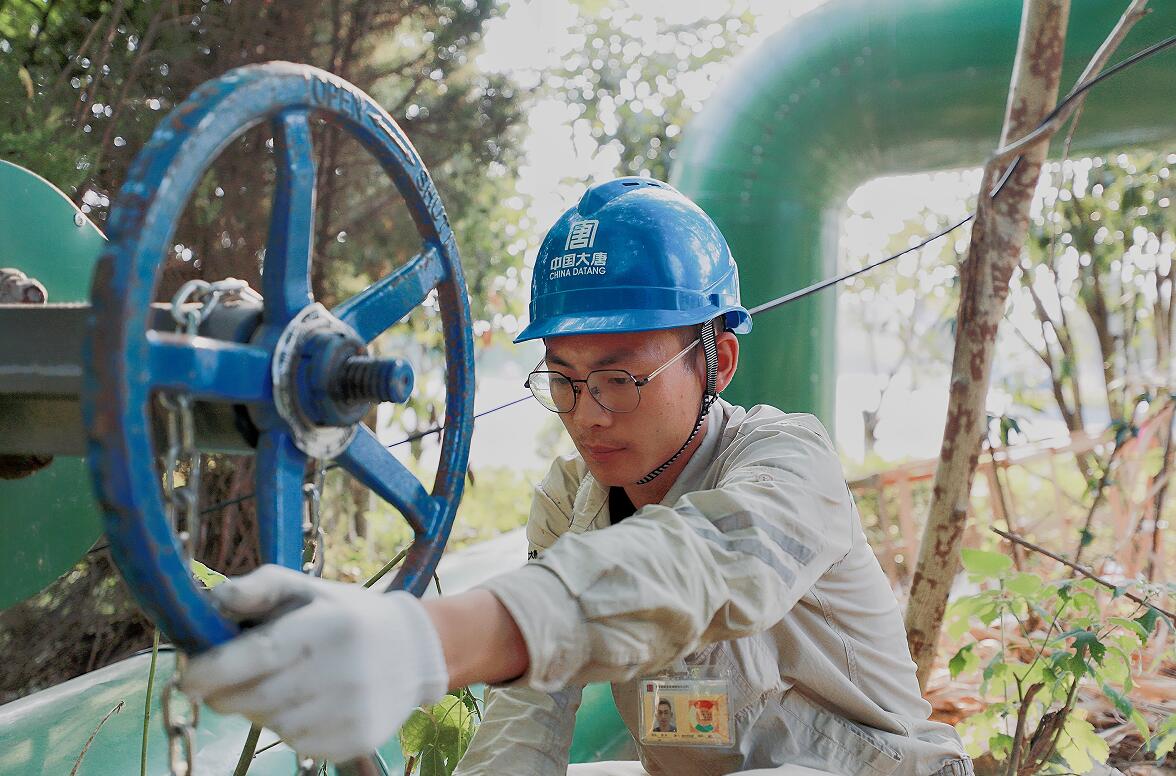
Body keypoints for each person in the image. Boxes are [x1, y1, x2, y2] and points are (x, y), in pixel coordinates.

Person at [183, 177, 972, 776]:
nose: (587, 415)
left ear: (718, 362)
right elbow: (530, 709)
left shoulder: (789, 464)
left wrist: (427, 640)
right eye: (562, 379)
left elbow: (697, 564)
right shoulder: (570, 502)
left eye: (620, 378)